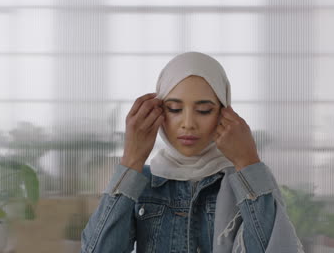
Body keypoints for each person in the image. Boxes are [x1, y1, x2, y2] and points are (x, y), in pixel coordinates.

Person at [81, 52, 303, 253]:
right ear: (159, 112)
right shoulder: (144, 183)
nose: (188, 123)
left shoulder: (245, 182)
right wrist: (131, 160)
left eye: (204, 110)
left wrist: (247, 162)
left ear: (223, 112)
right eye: (175, 109)